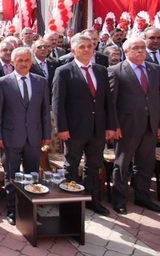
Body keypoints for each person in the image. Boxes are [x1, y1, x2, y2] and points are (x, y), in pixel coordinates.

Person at [52, 34, 115, 216]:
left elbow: (107, 101)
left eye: (89, 46)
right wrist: (62, 128)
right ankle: (71, 202)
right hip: (74, 129)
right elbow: (58, 103)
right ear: (73, 50)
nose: (86, 49)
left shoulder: (101, 70)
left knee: (93, 166)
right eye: (82, 47)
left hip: (97, 128)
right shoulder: (64, 71)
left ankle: (92, 200)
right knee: (71, 167)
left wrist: (110, 125)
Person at [0, 47, 51, 226]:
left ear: (31, 62)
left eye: (26, 60)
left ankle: (31, 209)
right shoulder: (2, 83)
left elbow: (45, 112)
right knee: (12, 176)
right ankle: (12, 210)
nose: (24, 63)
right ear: (12, 62)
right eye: (20, 60)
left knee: (33, 175)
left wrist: (47, 135)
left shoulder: (41, 82)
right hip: (10, 138)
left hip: (34, 137)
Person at [109, 37, 160, 214]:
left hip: (150, 124)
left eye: (142, 48)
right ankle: (119, 199)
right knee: (122, 164)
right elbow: (112, 102)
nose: (140, 51)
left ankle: (142, 197)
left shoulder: (154, 70)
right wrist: (114, 125)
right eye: (136, 48)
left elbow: (156, 97)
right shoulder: (116, 71)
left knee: (145, 164)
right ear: (126, 51)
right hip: (127, 125)